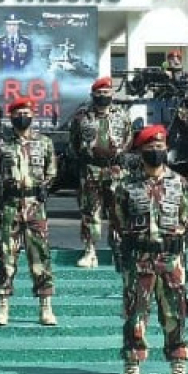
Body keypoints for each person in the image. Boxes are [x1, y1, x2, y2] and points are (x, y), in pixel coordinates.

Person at [112, 125, 188, 374]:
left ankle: (178, 372)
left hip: (171, 261)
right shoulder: (126, 186)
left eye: (160, 147)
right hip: (139, 260)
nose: (155, 151)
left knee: (175, 316)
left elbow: (185, 221)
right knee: (136, 317)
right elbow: (119, 226)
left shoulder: (180, 184)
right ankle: (132, 370)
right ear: (140, 152)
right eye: (149, 148)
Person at [0, 96, 58, 327]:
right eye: (18, 113)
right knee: (6, 258)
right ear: (11, 117)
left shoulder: (44, 142)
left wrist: (43, 188)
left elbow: (52, 170)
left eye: (26, 113)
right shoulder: (0, 143)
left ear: (33, 115)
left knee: (40, 257)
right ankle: (3, 305)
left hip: (35, 206)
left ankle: (45, 306)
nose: (22, 117)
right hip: (10, 205)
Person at [68, 76, 132, 268]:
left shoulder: (122, 115)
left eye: (106, 93)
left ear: (111, 94)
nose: (103, 96)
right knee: (90, 212)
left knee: (119, 212)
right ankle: (90, 251)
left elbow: (129, 137)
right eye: (99, 93)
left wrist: (122, 153)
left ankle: (120, 250)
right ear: (93, 94)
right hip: (91, 170)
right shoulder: (82, 117)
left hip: (116, 170)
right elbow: (74, 142)